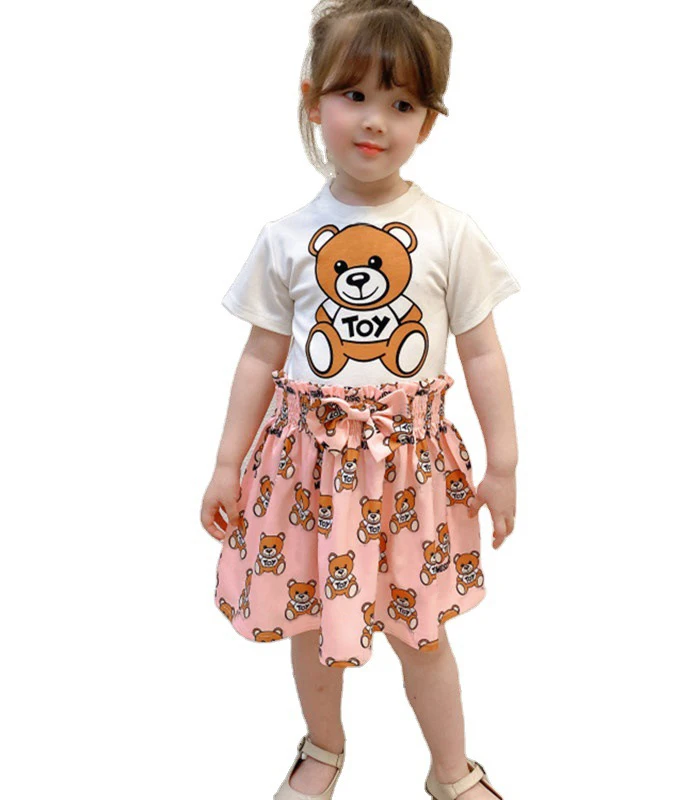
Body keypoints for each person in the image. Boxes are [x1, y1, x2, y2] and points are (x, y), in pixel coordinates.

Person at [200, 2, 518, 798]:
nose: (375, 119)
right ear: (313, 101)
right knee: (310, 621)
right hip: (308, 473)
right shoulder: (286, 237)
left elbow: (482, 352)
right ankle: (324, 749)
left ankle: (451, 772)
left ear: (427, 123)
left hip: (411, 475)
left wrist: (504, 465)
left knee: (423, 632)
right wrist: (226, 464)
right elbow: (258, 358)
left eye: (401, 102)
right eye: (355, 95)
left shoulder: (448, 232)